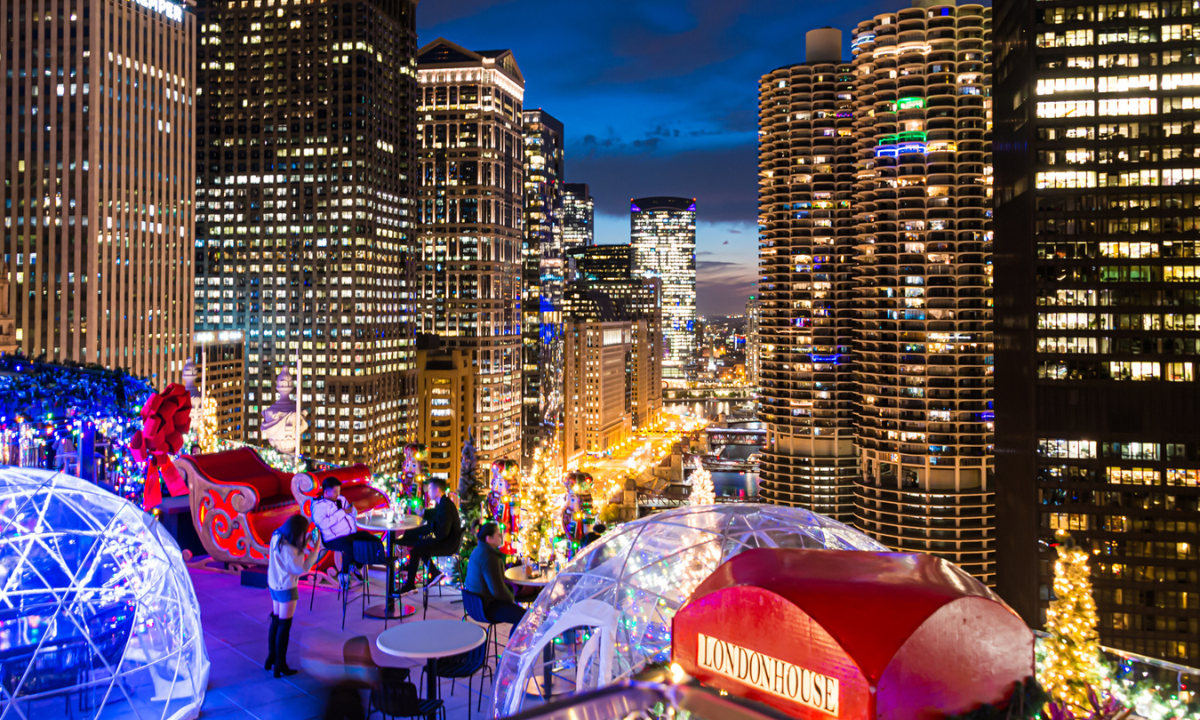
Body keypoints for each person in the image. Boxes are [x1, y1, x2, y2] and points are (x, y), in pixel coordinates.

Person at [266, 514, 321, 678]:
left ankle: (271, 658)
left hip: (273, 584)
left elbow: (291, 556)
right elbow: (301, 568)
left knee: (276, 621)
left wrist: (304, 542)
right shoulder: (290, 550)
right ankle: (280, 664)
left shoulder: (277, 536)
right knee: (284, 625)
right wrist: (315, 548)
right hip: (286, 587)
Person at [311, 477, 388, 585]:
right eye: (335, 492)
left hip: (350, 534)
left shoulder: (341, 499)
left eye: (339, 491)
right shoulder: (319, 506)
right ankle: (344, 575)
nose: (338, 494)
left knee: (368, 537)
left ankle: (363, 564)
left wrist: (351, 510)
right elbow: (323, 524)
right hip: (333, 538)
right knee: (351, 547)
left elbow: (352, 514)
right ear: (326, 492)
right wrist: (342, 512)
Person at [397, 478, 461, 594]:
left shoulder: (445, 506)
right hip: (447, 539)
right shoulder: (443, 503)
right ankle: (433, 573)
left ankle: (412, 583)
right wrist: (423, 514)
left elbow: (443, 532)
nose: (428, 491)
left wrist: (429, 538)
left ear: (437, 490)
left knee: (417, 549)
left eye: (430, 488)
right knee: (418, 544)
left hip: (448, 543)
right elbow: (435, 516)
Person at [464, 522, 526, 630]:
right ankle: (513, 647)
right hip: (486, 606)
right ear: (489, 538)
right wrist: (512, 597)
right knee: (526, 617)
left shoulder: (477, 550)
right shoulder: (490, 558)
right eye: (498, 534)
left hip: (473, 604)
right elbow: (498, 591)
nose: (501, 536)